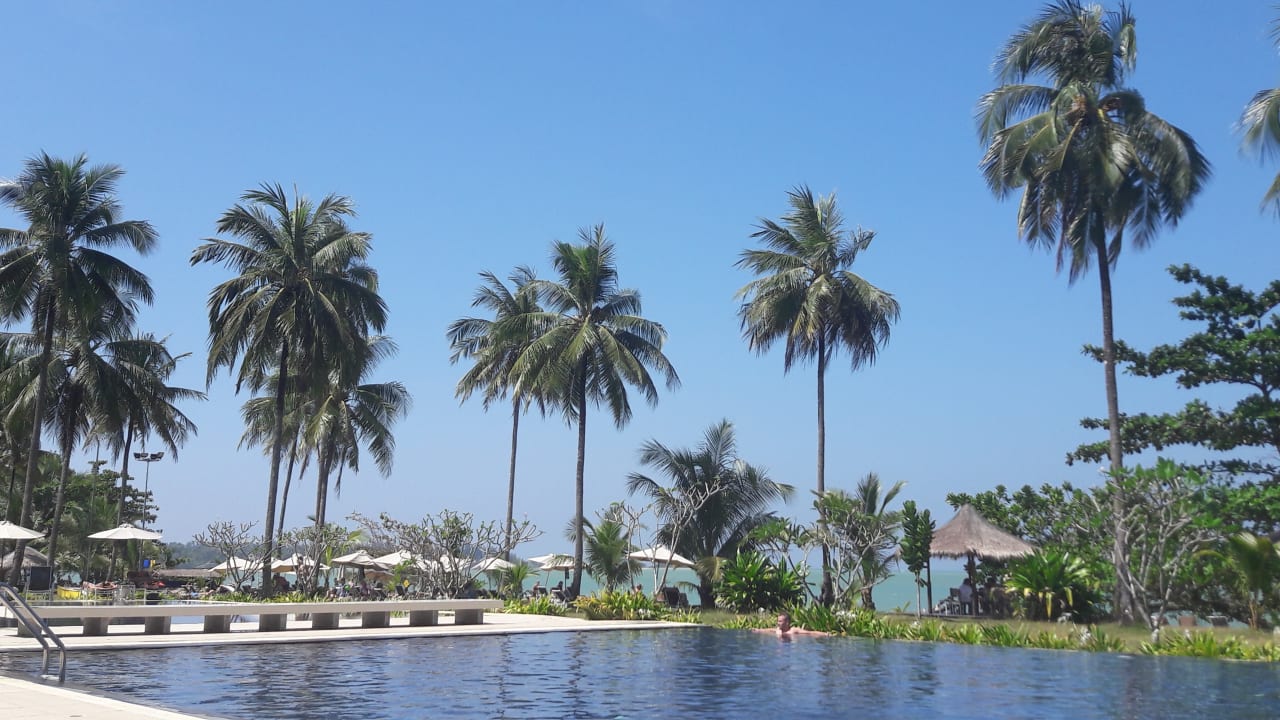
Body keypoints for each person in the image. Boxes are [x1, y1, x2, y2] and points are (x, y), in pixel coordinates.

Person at [753, 612, 828, 637]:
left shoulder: (793, 631)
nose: (778, 623)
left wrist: (825, 634)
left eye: (780, 621)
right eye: (778, 621)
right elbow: (769, 630)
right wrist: (759, 630)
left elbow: (810, 633)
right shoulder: (778, 630)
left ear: (787, 622)